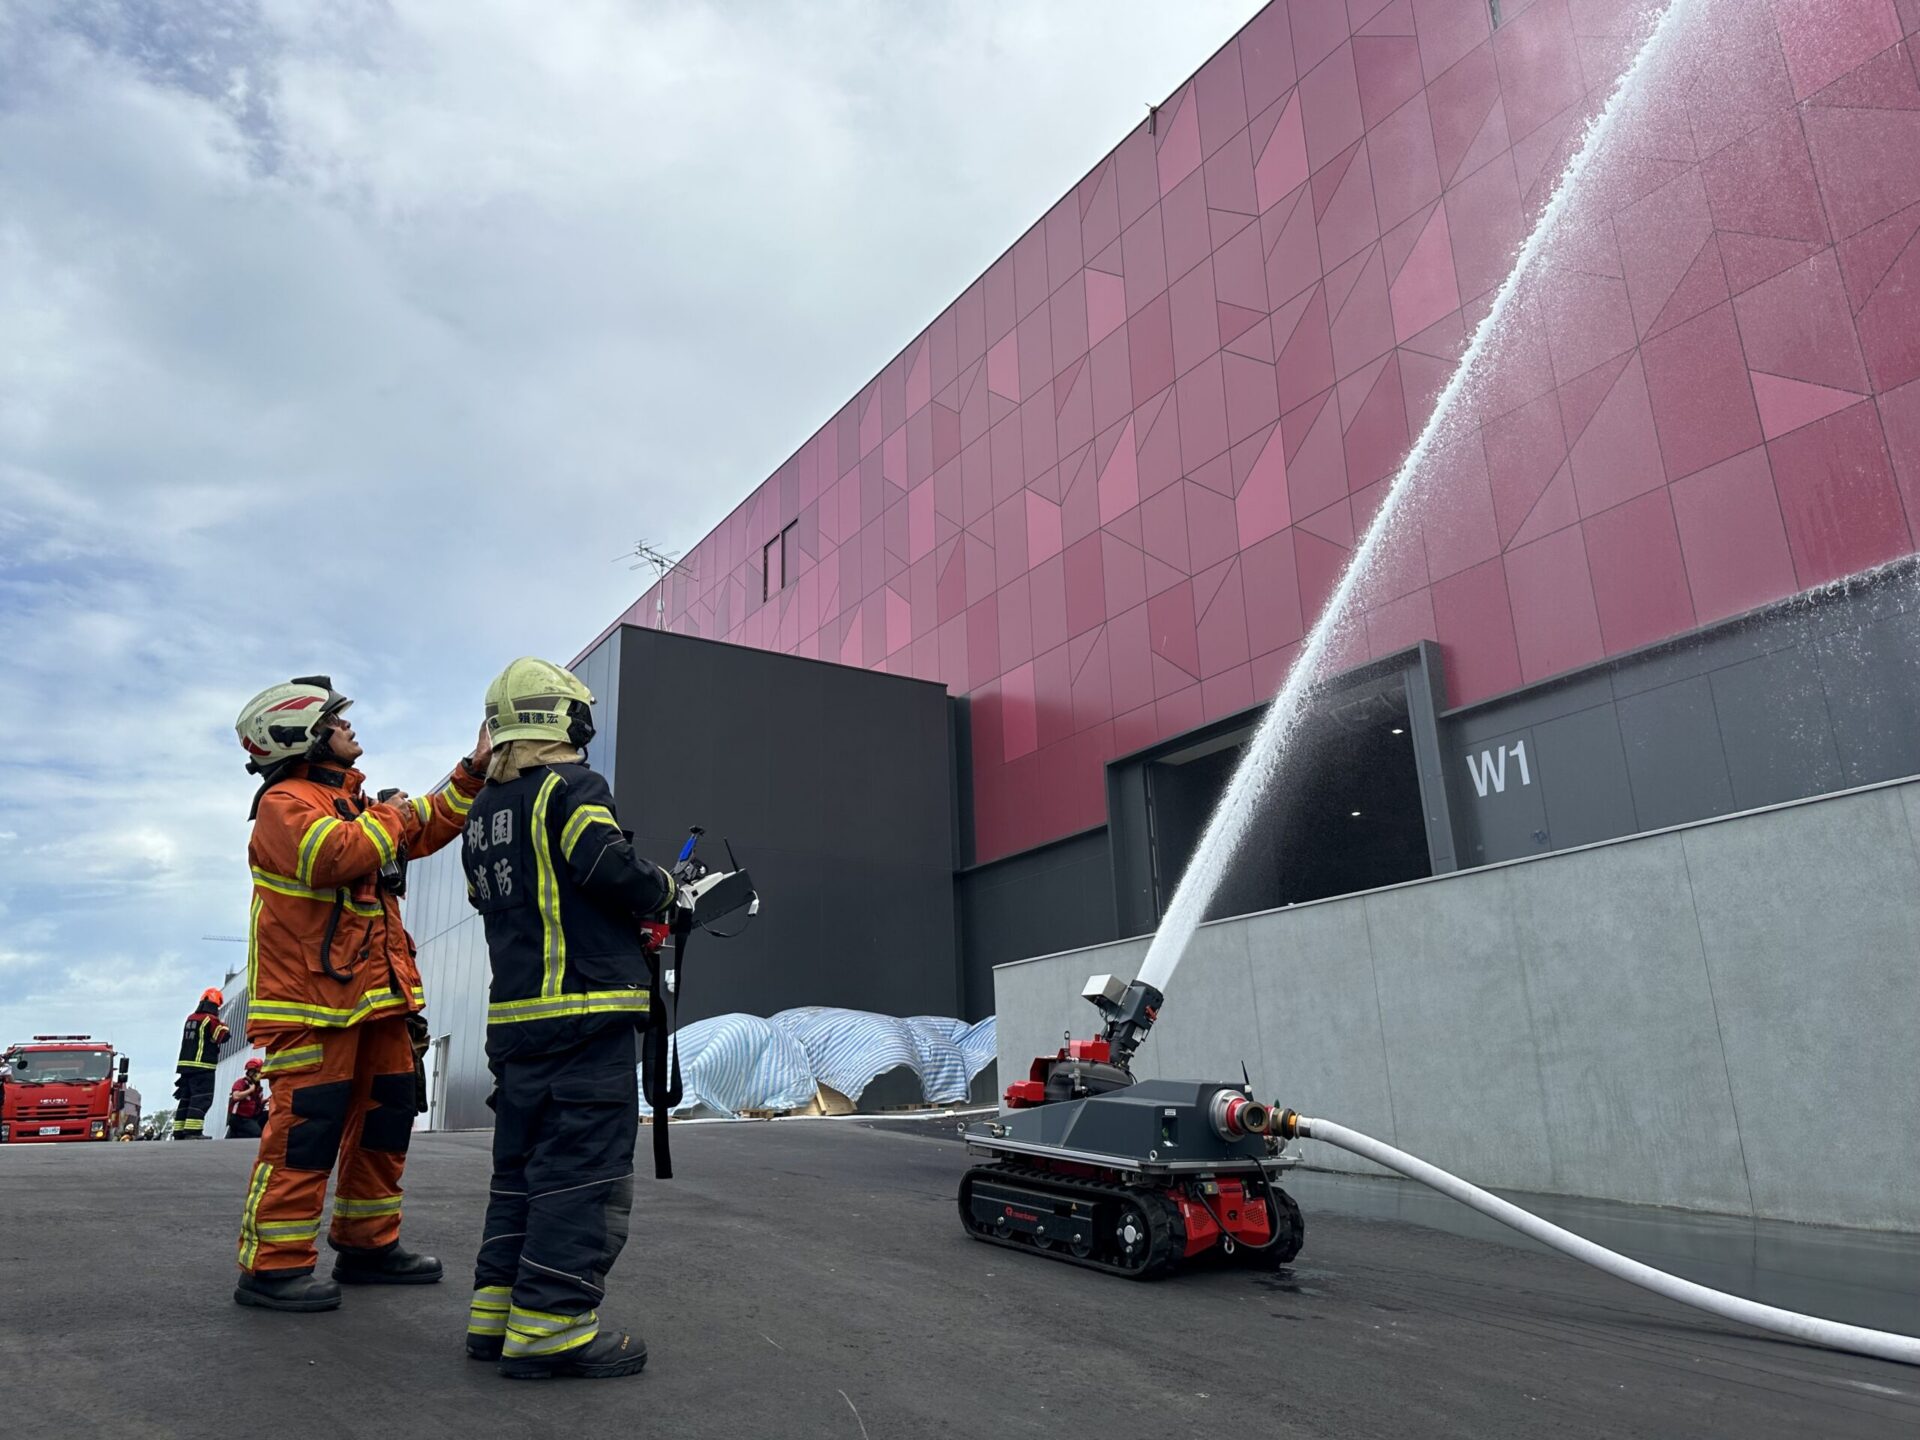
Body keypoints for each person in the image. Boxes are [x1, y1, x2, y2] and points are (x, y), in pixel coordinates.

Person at [229, 674, 489, 1312]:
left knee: (387, 1119)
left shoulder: (351, 802)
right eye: (336, 719)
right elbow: (337, 854)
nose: (349, 727)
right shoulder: (284, 806)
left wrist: (472, 770)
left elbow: (422, 825)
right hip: (309, 1009)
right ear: (303, 735)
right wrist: (394, 813)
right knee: (306, 1132)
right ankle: (272, 1268)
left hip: (374, 1002)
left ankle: (368, 1245)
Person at [461, 657, 676, 1380]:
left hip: (518, 1026)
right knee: (580, 1173)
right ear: (562, 719)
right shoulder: (572, 787)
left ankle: (495, 1318)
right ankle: (552, 1328)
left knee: (520, 1173)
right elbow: (607, 866)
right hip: (584, 1016)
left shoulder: (484, 812)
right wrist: (666, 891)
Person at [174, 989, 232, 1138]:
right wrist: (224, 1026)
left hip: (186, 1067)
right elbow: (223, 1036)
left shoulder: (191, 1018)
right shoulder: (210, 1020)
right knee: (201, 1098)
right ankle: (193, 1132)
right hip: (202, 1066)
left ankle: (179, 1131)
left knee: (186, 1098)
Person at [227, 1058, 268, 1140]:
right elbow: (236, 1096)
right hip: (239, 1118)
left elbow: (257, 1103)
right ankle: (236, 1134)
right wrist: (249, 1090)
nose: (259, 1075)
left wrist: (266, 1100)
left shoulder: (258, 1087)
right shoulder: (241, 1083)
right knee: (256, 1133)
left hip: (251, 1117)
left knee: (268, 1115)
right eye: (258, 1072)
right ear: (251, 1072)